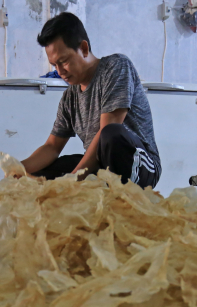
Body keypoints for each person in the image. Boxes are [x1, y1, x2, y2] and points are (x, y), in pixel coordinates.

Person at [18, 13, 161, 189]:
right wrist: (18, 170)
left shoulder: (116, 67)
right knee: (39, 175)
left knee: (111, 133)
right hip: (102, 166)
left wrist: (71, 181)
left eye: (63, 61)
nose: (60, 71)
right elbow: (52, 147)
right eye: (54, 65)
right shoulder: (70, 97)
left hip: (140, 164)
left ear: (84, 48)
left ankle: (119, 201)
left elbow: (105, 132)